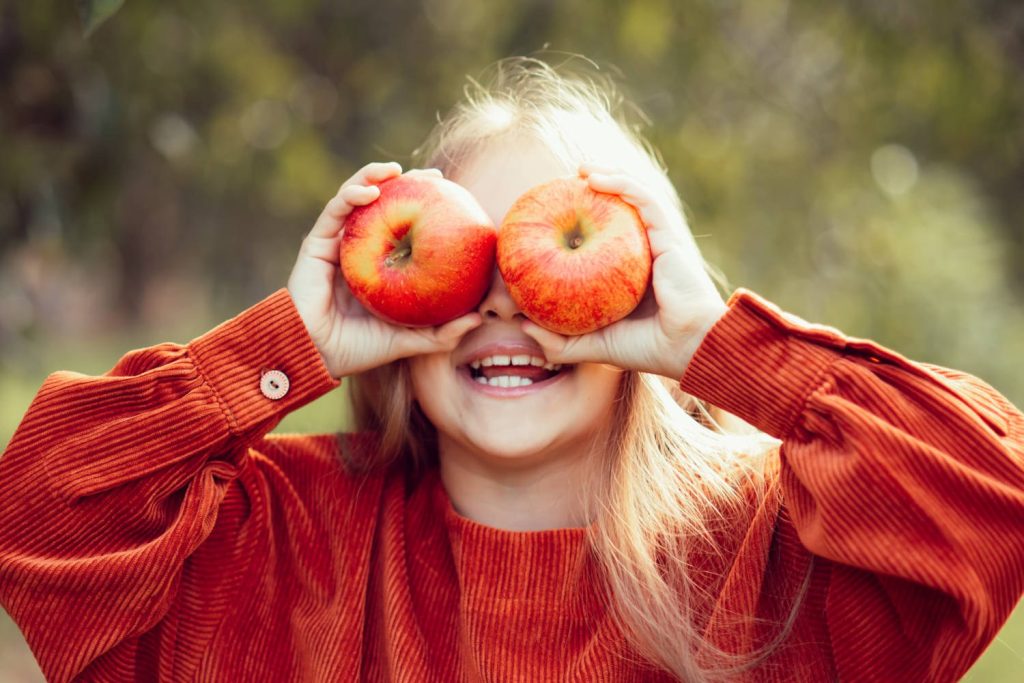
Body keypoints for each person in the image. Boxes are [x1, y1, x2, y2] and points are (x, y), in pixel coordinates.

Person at [1, 57, 1023, 683]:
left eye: (549, 266)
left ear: (650, 280)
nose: (502, 303)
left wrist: (718, 347)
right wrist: (286, 347)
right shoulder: (278, 544)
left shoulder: (773, 558)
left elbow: (991, 494)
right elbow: (41, 508)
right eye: (466, 266)